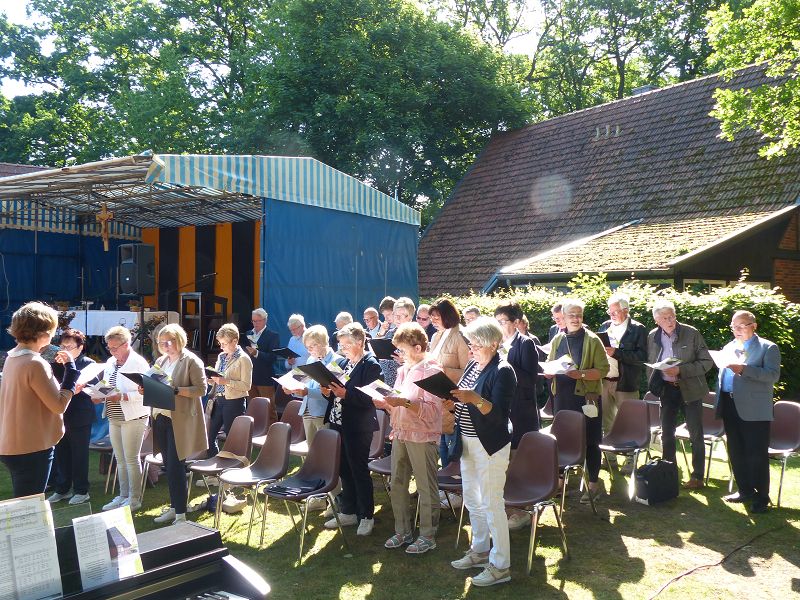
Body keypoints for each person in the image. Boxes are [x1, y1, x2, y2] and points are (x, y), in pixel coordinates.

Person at [448, 317, 516, 587]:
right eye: (471, 344)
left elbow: (498, 415)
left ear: (493, 344)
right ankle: (480, 550)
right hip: (467, 441)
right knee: (473, 500)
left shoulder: (503, 370)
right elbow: (464, 398)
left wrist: (474, 399)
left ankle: (501, 565)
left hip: (489, 445)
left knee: (491, 503)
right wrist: (453, 401)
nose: (471, 349)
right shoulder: (473, 365)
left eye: (476, 345)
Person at [375, 323, 442, 554]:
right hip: (401, 431)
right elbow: (398, 400)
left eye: (402, 350)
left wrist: (402, 402)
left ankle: (428, 535)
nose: (399, 354)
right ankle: (402, 531)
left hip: (422, 435)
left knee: (425, 486)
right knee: (397, 483)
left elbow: (433, 411)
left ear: (417, 347)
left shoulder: (432, 371)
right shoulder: (404, 370)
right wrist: (385, 403)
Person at [0, 302, 78, 498]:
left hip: (12, 444)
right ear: (43, 333)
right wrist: (71, 371)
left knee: (26, 504)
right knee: (30, 508)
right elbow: (58, 405)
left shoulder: (11, 358)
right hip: (31, 447)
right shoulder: (35, 363)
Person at [546, 299, 610, 505]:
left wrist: (580, 374)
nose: (575, 318)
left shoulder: (592, 340)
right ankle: (559, 482)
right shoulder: (558, 338)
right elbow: (550, 363)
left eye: (579, 315)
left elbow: (603, 370)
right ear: (563, 318)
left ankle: (593, 484)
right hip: (562, 397)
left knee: (591, 440)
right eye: (571, 315)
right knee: (561, 438)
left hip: (586, 398)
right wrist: (548, 372)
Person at [716, 311, 780, 513]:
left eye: (741, 325)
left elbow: (772, 375)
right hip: (729, 403)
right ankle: (744, 490)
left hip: (754, 408)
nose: (737, 330)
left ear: (754, 326)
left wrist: (744, 369)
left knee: (756, 452)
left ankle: (762, 496)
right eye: (733, 326)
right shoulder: (729, 347)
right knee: (736, 450)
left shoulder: (768, 347)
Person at [322, 323, 382, 536]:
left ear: (359, 342)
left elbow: (371, 399)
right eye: (341, 344)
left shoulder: (371, 365)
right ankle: (349, 510)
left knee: (358, 469)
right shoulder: (342, 362)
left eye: (346, 344)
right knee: (343, 468)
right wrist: (327, 392)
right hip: (337, 422)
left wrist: (346, 395)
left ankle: (366, 515)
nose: (343, 348)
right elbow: (334, 393)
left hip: (358, 426)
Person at [647, 299, 713, 490]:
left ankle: (697, 477)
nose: (670, 321)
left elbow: (706, 362)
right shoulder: (652, 336)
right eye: (665, 318)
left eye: (672, 316)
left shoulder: (691, 333)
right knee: (667, 433)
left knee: (695, 433)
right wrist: (655, 380)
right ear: (657, 320)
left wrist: (681, 370)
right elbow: (651, 361)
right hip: (667, 390)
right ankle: (669, 473)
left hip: (691, 389)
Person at [151, 324, 208, 524]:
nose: (166, 346)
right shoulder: (160, 361)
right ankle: (175, 507)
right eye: (162, 342)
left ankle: (181, 514)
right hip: (161, 417)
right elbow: (155, 384)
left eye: (170, 341)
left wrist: (176, 390)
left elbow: (201, 389)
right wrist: (146, 388)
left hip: (180, 420)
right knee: (168, 465)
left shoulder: (192, 360)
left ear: (180, 340)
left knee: (176, 466)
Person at [99, 325, 151, 512]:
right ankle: (122, 496)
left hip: (134, 416)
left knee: (131, 459)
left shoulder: (139, 363)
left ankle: (134, 499)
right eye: (109, 348)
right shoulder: (111, 362)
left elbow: (147, 392)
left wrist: (122, 396)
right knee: (119, 459)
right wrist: (98, 394)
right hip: (114, 416)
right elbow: (106, 385)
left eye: (115, 348)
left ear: (126, 344)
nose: (112, 351)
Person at [48, 328, 95, 506]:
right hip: (60, 414)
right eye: (63, 346)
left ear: (80, 347)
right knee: (62, 453)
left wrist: (82, 388)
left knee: (79, 454)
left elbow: (95, 388)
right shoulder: (56, 363)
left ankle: (81, 490)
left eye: (69, 347)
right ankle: (63, 488)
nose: (65, 350)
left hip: (80, 414)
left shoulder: (88, 363)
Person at [597, 295, 647, 438]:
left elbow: (642, 357)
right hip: (604, 381)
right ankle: (609, 451)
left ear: (626, 311)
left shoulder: (638, 329)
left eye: (615, 312)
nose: (611, 315)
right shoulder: (605, 326)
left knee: (630, 422)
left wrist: (617, 353)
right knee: (607, 423)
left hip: (625, 383)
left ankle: (631, 452)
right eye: (610, 312)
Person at [429, 297, 470, 468]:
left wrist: (445, 370)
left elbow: (469, 371)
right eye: (431, 317)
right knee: (442, 446)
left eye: (436, 317)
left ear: (447, 316)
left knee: (453, 447)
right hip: (437, 398)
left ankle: (454, 481)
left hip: (454, 399)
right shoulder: (436, 336)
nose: (433, 321)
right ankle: (445, 480)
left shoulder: (461, 336)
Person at [207, 323, 252, 458]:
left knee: (232, 437)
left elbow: (246, 386)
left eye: (224, 344)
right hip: (219, 399)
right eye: (220, 343)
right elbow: (219, 378)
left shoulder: (244, 359)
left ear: (235, 341)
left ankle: (234, 464)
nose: (221, 347)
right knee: (209, 435)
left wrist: (226, 381)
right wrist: (211, 380)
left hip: (234, 401)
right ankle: (214, 461)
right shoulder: (221, 356)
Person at [245, 308, 280, 424]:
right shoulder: (248, 334)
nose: (255, 323)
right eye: (253, 321)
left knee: (269, 409)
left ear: (265, 320)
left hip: (265, 378)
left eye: (258, 321)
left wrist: (257, 353)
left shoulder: (272, 336)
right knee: (253, 407)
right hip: (250, 377)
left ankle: (273, 430)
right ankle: (255, 430)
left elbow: (273, 357)